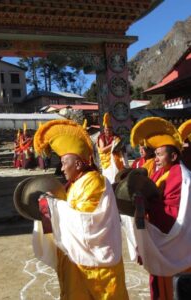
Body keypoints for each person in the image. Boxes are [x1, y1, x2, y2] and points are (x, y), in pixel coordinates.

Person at [33, 119, 129, 300]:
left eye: (63, 162)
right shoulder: (74, 183)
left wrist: (54, 205)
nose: (61, 169)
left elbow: (88, 223)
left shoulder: (94, 181)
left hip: (97, 269)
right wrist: (49, 205)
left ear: (78, 164)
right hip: (76, 261)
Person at [127, 117, 191, 300]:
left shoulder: (180, 177)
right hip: (159, 242)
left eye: (160, 154)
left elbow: (172, 214)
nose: (155, 159)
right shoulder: (161, 172)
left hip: (176, 250)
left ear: (173, 156)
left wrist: (146, 206)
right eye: (154, 154)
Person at [97, 112, 127, 183]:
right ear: (104, 130)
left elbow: (120, 147)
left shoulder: (115, 137)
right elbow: (102, 150)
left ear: (112, 130)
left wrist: (116, 143)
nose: (108, 131)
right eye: (106, 130)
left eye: (109, 130)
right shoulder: (101, 137)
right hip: (106, 163)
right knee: (108, 179)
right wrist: (112, 144)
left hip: (115, 161)